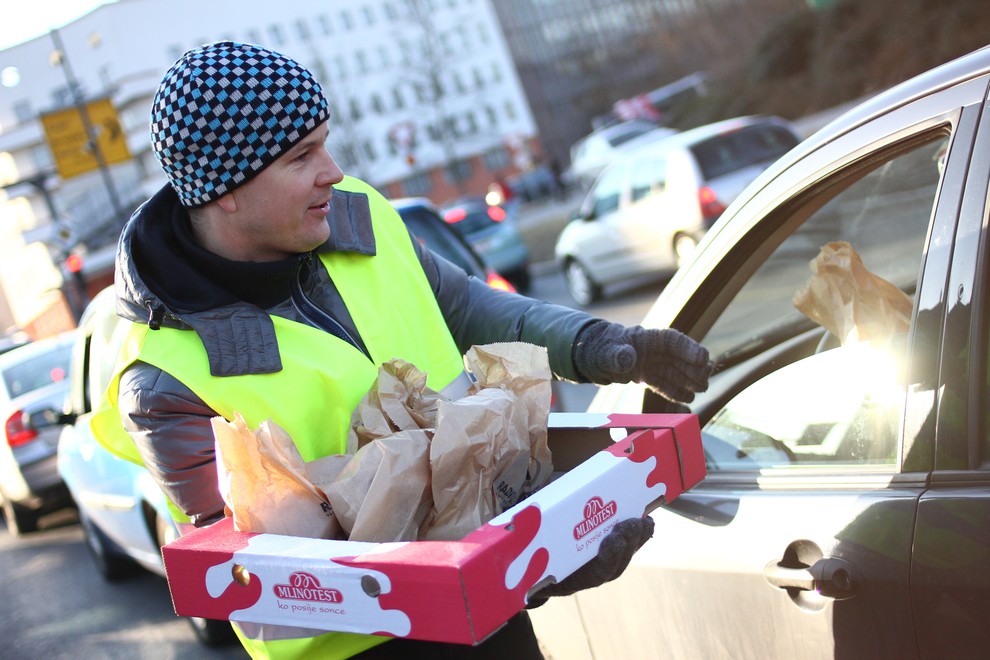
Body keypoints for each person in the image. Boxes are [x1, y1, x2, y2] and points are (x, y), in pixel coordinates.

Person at [93, 42, 713, 660]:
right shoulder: (163, 377)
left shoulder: (358, 218)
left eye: (325, 142)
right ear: (226, 189)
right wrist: (521, 566)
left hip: (492, 617)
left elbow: (468, 308)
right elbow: (262, 576)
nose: (332, 171)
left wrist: (602, 345)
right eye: (302, 156)